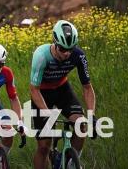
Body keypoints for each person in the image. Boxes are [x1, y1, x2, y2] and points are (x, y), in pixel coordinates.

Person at [30, 20, 94, 169]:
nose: (66, 53)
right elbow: (34, 89)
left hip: (62, 90)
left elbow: (87, 88)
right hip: (42, 93)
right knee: (44, 146)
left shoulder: (79, 56)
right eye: (62, 49)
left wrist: (92, 115)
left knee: (81, 124)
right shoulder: (41, 55)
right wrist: (47, 113)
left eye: (70, 49)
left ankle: (71, 162)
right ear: (55, 42)